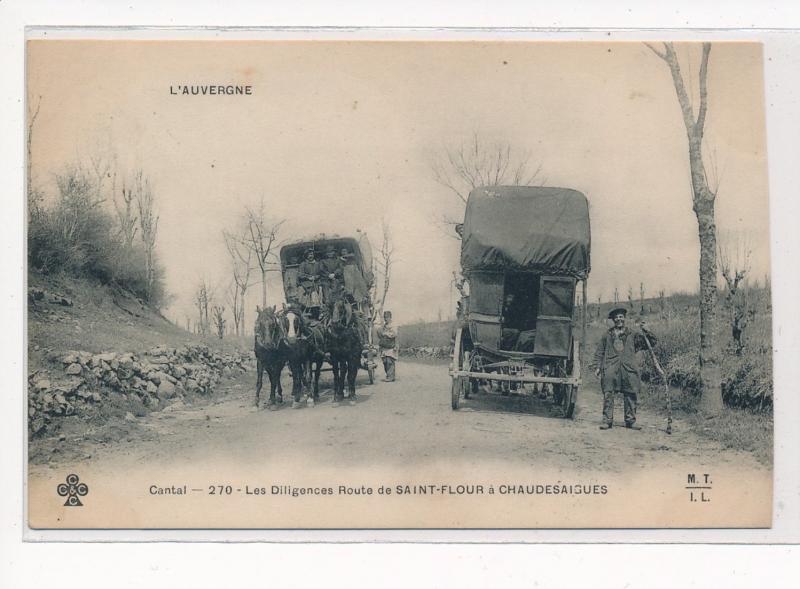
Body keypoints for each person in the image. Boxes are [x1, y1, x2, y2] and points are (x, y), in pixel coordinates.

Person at [592, 307, 658, 431]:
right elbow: (599, 352)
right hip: (611, 367)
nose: (619, 319)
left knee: (631, 393)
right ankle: (607, 421)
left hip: (629, 368)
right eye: (616, 317)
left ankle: (630, 421)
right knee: (608, 393)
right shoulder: (607, 335)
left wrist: (648, 331)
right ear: (613, 320)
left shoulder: (633, 335)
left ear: (624, 318)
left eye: (621, 317)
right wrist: (597, 367)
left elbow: (651, 343)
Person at [377, 310, 398, 382]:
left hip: (391, 345)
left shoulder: (393, 325)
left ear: (390, 317)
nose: (386, 319)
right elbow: (380, 334)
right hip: (384, 346)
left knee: (390, 361)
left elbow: (395, 334)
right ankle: (388, 375)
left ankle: (391, 376)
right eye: (385, 317)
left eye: (387, 317)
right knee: (385, 361)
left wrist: (386, 334)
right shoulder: (384, 326)